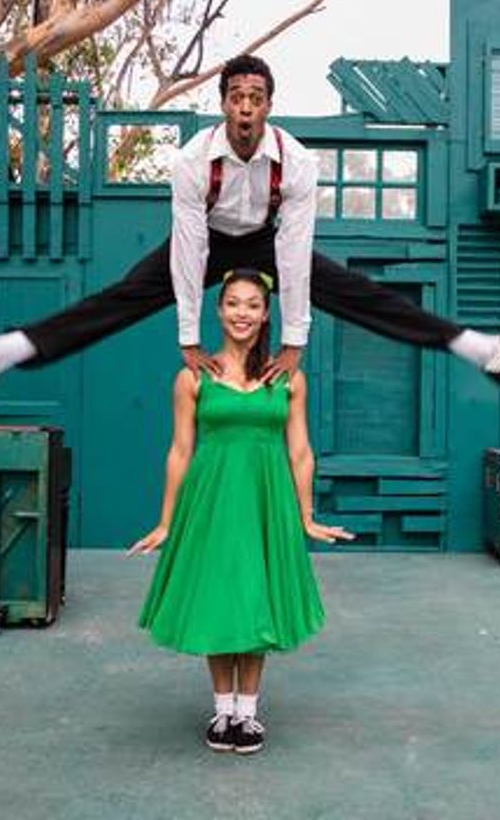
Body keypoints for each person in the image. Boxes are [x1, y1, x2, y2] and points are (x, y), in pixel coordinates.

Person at [0, 53, 500, 390]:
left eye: (256, 96)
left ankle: (486, 351)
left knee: (358, 292)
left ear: (268, 106)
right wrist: (186, 336)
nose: (246, 106)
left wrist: (293, 341)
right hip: (205, 242)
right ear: (225, 104)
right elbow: (187, 252)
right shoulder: (190, 163)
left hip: (264, 242)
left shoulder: (298, 164)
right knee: (122, 297)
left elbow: (293, 250)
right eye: (236, 95)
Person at [129, 268, 354, 754]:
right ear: (217, 310)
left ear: (266, 313)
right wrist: (167, 521)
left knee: (255, 598)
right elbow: (180, 452)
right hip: (211, 500)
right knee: (219, 596)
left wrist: (307, 516)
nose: (242, 314)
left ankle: (247, 714)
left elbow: (300, 453)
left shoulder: (288, 378)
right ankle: (223, 709)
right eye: (233, 303)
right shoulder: (192, 378)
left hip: (264, 499)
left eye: (252, 305)